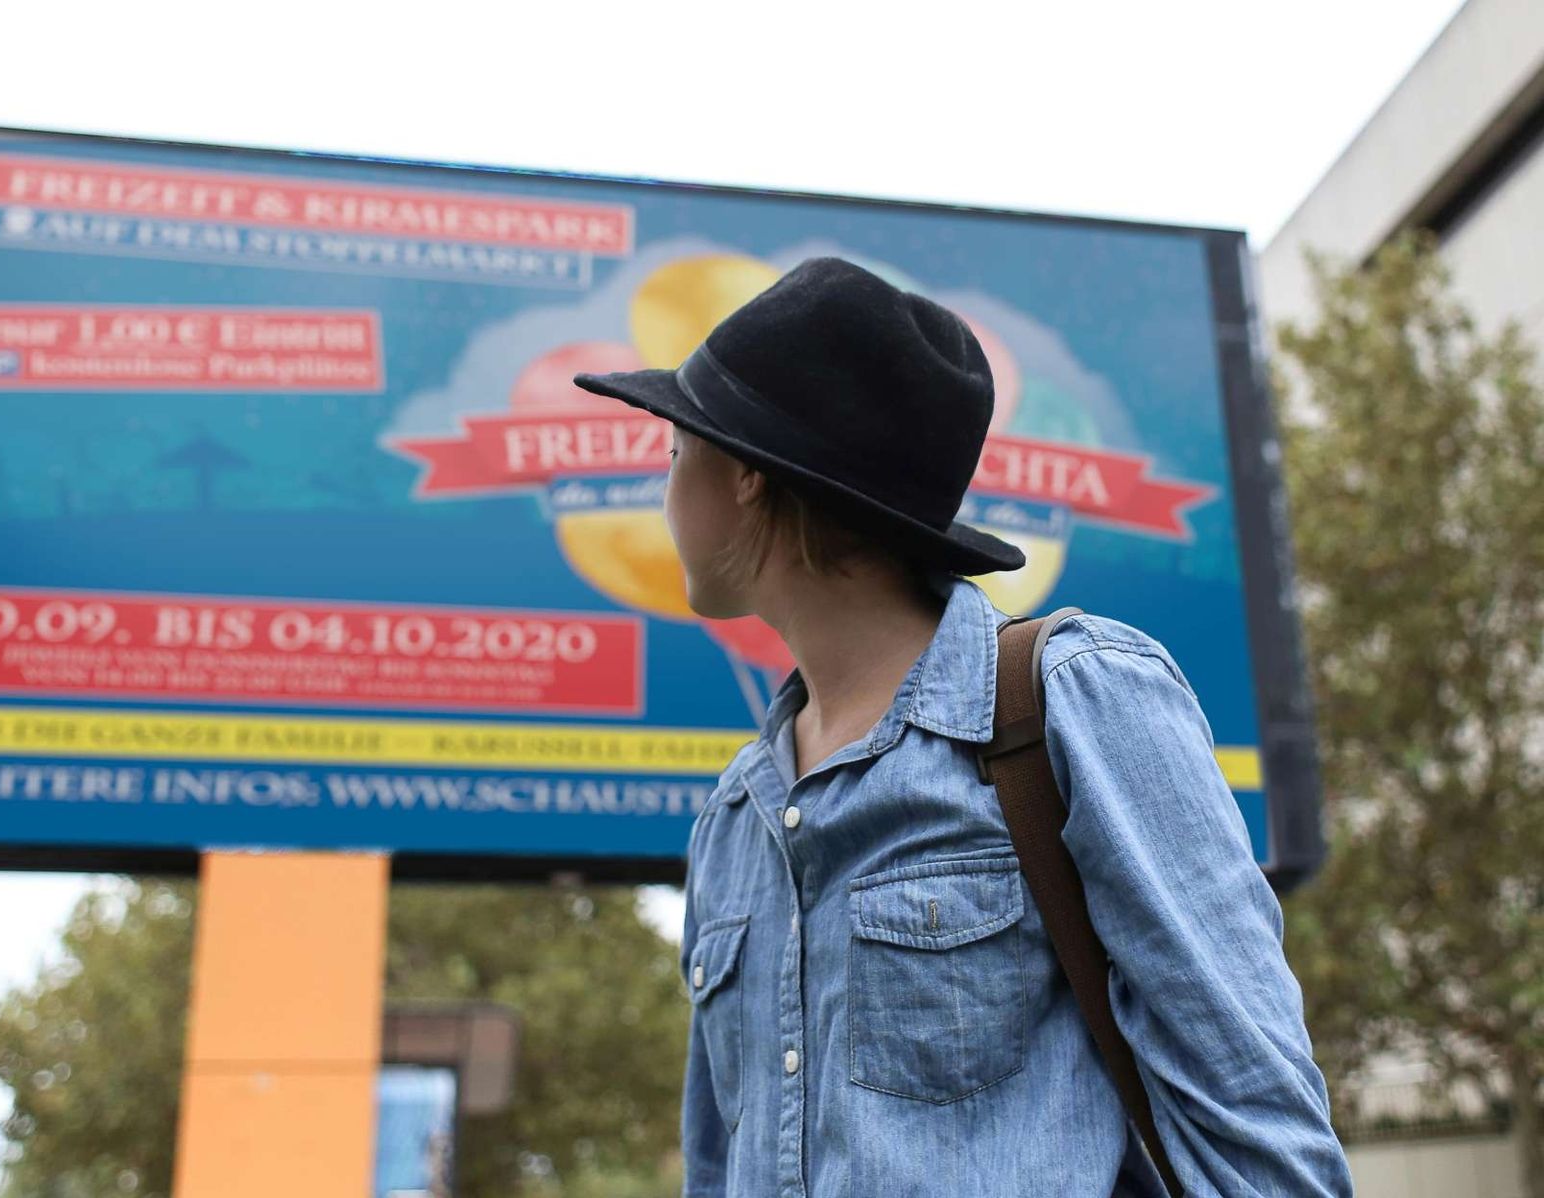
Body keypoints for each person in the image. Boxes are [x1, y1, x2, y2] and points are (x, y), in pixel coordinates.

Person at [573, 258, 1352, 1197]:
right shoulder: (736, 818)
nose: (663, 491)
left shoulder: (1072, 699)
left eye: (673, 451)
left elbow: (1260, 1127)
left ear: (744, 476)